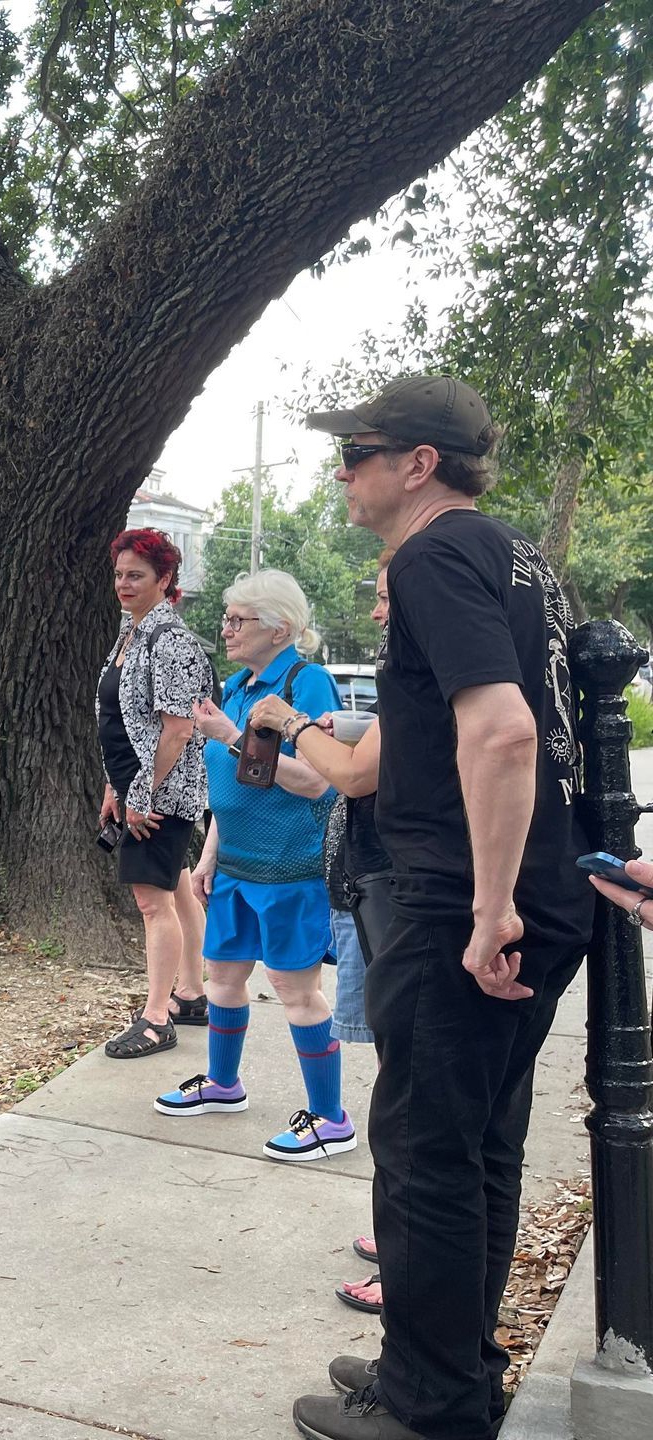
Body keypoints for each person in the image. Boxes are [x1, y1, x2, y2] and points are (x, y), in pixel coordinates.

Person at [290, 376, 589, 1440]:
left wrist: (490, 905)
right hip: (536, 896)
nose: (343, 470)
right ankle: (446, 1367)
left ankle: (430, 1406)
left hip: (464, 896)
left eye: (360, 450)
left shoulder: (429, 555)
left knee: (422, 1149)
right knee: (476, 1146)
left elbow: (505, 731)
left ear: (420, 463)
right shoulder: (519, 559)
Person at [249, 553, 395, 1315]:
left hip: (326, 876)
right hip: (336, 878)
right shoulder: (401, 681)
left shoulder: (303, 684)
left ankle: (335, 1127)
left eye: (382, 597)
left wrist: (299, 728)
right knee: (393, 1069)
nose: (374, 613)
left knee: (403, 1083)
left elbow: (338, 777)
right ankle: (398, 1226)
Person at [169, 570, 349, 1164]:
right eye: (227, 618)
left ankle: (331, 1118)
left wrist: (224, 735)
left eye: (238, 619)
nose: (227, 629)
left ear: (280, 627)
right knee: (220, 977)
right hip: (235, 866)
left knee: (296, 990)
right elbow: (232, 786)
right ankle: (224, 1085)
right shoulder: (237, 684)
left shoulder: (308, 683)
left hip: (289, 868)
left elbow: (318, 782)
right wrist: (209, 854)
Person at [97, 529, 213, 1058]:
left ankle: (155, 1019)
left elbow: (178, 728)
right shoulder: (132, 632)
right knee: (180, 885)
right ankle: (190, 994)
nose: (124, 583)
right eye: (120, 574)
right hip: (137, 785)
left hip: (163, 790)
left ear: (165, 580)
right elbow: (124, 719)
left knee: (152, 901)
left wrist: (143, 791)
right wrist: (113, 786)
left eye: (136, 575)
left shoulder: (171, 641)